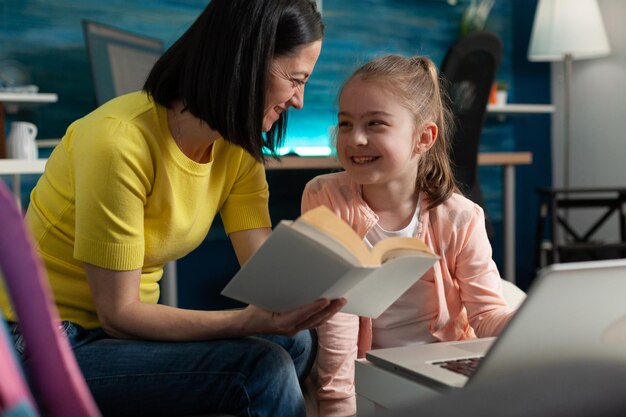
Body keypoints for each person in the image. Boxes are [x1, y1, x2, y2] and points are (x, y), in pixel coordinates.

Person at [0, 1, 346, 416]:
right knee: (263, 368)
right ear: (245, 62)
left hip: (122, 334)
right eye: (295, 79)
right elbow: (119, 314)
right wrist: (248, 322)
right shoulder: (119, 143)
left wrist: (325, 282)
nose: (299, 101)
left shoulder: (236, 148)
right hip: (47, 341)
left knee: (295, 341)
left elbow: (265, 273)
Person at [301, 54, 517, 416]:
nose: (355, 138)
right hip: (368, 370)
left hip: (437, 369)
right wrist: (338, 405)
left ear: (423, 138)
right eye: (345, 123)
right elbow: (336, 315)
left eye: (375, 124)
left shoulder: (461, 217)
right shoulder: (325, 196)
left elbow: (486, 315)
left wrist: (535, 327)